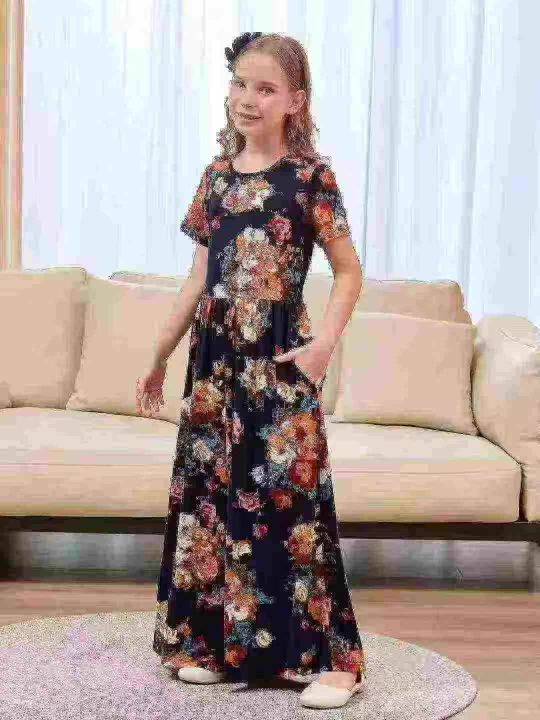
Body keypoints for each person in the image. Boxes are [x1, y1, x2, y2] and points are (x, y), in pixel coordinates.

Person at [136, 31, 366, 710]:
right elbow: (196, 279)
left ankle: (335, 663)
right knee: (214, 504)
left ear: (295, 100)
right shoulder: (215, 177)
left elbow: (349, 272)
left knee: (292, 506)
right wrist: (157, 355)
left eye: (266, 88)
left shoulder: (311, 177)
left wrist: (324, 345)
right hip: (214, 366)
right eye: (240, 83)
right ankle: (218, 645)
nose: (247, 98)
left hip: (279, 360)